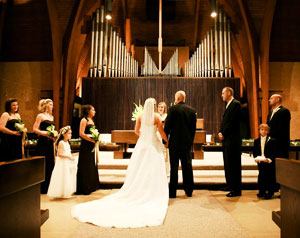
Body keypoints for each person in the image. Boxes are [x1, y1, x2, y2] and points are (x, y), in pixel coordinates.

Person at [72, 98, 169, 228]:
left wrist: (144, 137)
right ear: (154, 106)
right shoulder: (157, 117)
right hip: (153, 145)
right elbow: (161, 131)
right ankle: (153, 190)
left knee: (140, 167)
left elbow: (136, 131)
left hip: (143, 144)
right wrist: (166, 140)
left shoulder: (140, 116)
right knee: (153, 167)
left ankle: (138, 188)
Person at [164, 91, 196, 198]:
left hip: (174, 143)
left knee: (174, 168)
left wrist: (165, 141)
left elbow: (167, 127)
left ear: (177, 98)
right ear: (184, 98)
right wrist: (190, 142)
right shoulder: (191, 111)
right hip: (186, 144)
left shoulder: (172, 109)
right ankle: (189, 191)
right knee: (187, 167)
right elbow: (193, 130)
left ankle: (172, 192)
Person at [218, 87, 242, 197]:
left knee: (234, 164)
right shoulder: (228, 105)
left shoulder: (236, 104)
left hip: (233, 139)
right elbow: (225, 122)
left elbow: (233, 122)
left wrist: (224, 133)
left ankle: (236, 189)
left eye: (223, 93)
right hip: (227, 139)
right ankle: (230, 185)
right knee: (228, 163)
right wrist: (220, 131)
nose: (221, 95)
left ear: (229, 93)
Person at [76, 105, 101, 195]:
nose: (94, 111)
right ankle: (84, 187)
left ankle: (91, 185)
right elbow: (81, 133)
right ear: (88, 111)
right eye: (93, 110)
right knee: (85, 164)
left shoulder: (91, 120)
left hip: (91, 145)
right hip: (86, 145)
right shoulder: (84, 120)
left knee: (91, 164)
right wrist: (91, 140)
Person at [47, 126, 78, 198]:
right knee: (63, 176)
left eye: (71, 133)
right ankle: (62, 192)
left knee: (67, 176)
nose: (70, 135)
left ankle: (66, 192)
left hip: (67, 162)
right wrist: (68, 157)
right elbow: (59, 154)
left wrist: (71, 157)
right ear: (64, 134)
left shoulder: (67, 142)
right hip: (63, 162)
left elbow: (67, 151)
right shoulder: (61, 142)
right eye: (69, 133)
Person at [33, 99, 56, 194]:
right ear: (46, 106)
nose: (52, 106)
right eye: (50, 104)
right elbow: (34, 129)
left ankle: (48, 187)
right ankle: (41, 187)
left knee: (50, 163)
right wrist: (46, 133)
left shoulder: (51, 117)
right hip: (42, 142)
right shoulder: (40, 116)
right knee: (43, 163)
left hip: (50, 142)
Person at [253, 124, 276, 200]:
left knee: (269, 176)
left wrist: (269, 159)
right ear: (259, 131)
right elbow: (255, 152)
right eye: (262, 129)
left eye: (265, 130)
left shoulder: (272, 140)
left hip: (268, 161)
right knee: (261, 176)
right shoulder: (256, 141)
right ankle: (261, 191)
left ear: (268, 131)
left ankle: (270, 192)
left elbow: (274, 152)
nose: (263, 131)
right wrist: (256, 158)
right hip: (260, 161)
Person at [267, 94, 291, 159]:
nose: (269, 100)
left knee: (280, 165)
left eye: (271, 98)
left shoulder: (284, 111)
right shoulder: (270, 113)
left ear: (277, 99)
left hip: (280, 144)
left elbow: (282, 129)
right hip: (272, 144)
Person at [158, 101, 170, 176]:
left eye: (162, 107)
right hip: (157, 135)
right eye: (159, 107)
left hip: (164, 135)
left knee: (165, 154)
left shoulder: (167, 116)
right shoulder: (156, 116)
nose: (160, 108)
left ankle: (166, 171)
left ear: (164, 108)